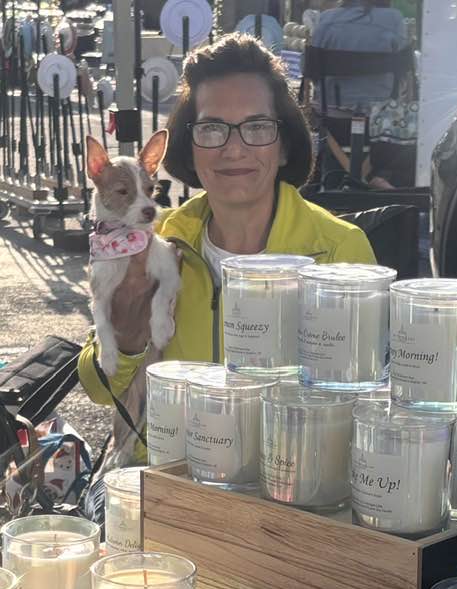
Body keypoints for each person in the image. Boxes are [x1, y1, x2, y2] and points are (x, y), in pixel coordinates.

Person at [78, 34, 375, 471]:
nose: (234, 148)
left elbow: (365, 407)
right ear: (189, 147)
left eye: (257, 127)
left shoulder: (337, 249)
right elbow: (97, 388)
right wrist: (128, 327)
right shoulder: (161, 239)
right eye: (212, 128)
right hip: (163, 477)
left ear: (285, 144)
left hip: (289, 485)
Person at [310, 0, 410, 188]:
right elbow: (405, 70)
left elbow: (310, 70)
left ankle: (331, 182)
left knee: (324, 131)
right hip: (381, 121)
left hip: (333, 119)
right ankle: (379, 179)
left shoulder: (327, 20)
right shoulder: (394, 19)